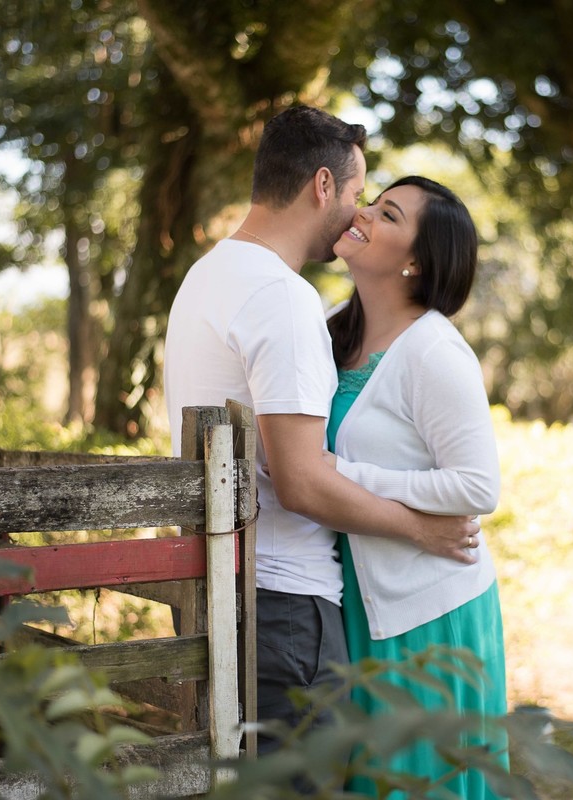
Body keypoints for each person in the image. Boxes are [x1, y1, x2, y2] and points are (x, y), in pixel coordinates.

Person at [162, 108, 481, 755]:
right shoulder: (282, 296)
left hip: (223, 587)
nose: (358, 214)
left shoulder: (207, 275)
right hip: (285, 609)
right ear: (323, 186)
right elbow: (302, 482)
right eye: (360, 195)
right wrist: (419, 526)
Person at [326, 176, 507, 798]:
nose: (364, 213)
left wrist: (341, 476)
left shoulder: (435, 352)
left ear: (416, 262)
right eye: (372, 201)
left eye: (388, 214)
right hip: (351, 602)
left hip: (429, 614)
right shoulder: (328, 332)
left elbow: (478, 485)